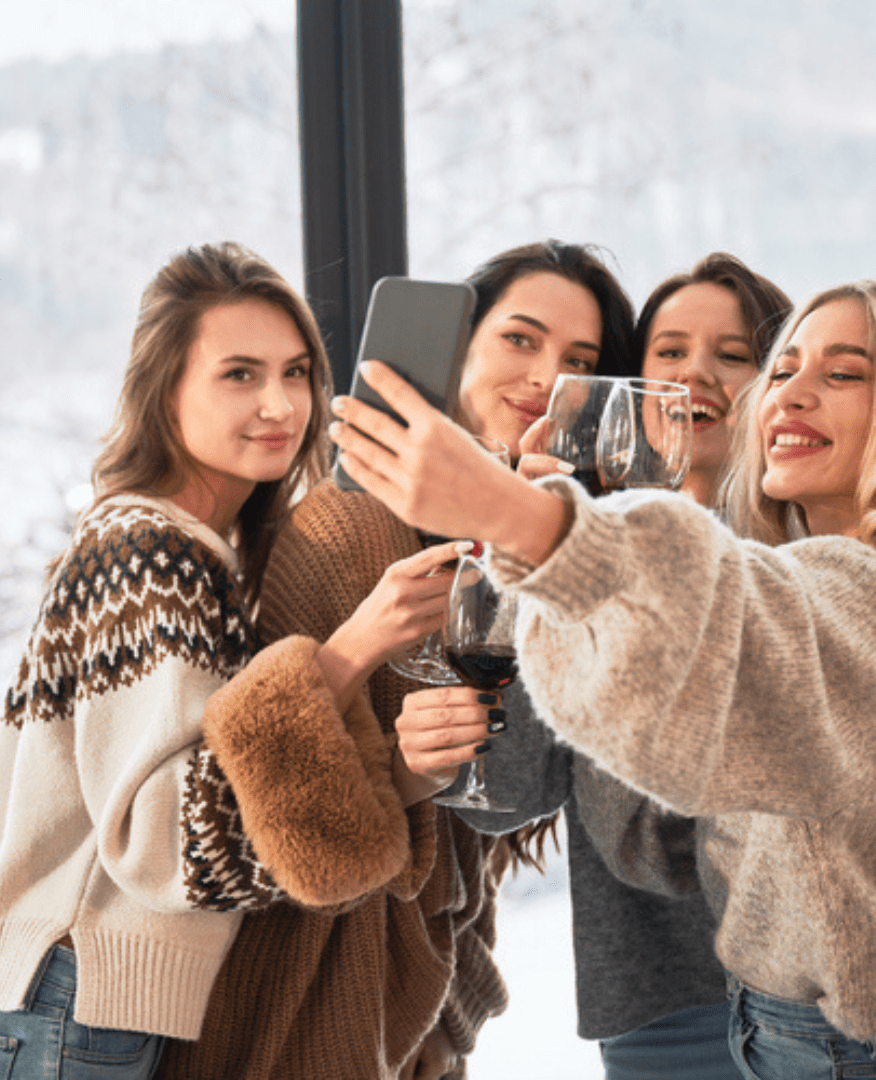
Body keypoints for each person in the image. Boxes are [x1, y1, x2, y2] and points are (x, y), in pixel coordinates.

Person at [329, 281, 876, 1080]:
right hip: (774, 1026)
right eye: (784, 370)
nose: (792, 394)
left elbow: (727, 614)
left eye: (844, 373)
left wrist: (520, 515)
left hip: (834, 1043)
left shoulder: (837, 587)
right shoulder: (861, 578)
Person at [156, 238, 633, 1080]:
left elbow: (505, 797)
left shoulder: (509, 546)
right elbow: (293, 815)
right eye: (520, 340)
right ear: (458, 346)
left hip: (418, 1019)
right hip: (315, 1014)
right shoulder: (350, 529)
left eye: (578, 360)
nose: (543, 377)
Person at [409, 252, 791, 1080]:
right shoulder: (582, 556)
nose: (698, 372)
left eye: (733, 354)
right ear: (633, 389)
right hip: (662, 1008)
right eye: (670, 352)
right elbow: (506, 795)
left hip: (832, 1000)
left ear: (773, 381)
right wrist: (528, 564)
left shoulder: (815, 558)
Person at [0, 242, 333, 1077]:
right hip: (80, 997)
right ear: (164, 389)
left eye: (296, 373)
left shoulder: (186, 550)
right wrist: (353, 656)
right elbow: (165, 841)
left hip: (76, 1000)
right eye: (240, 374)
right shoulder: (152, 554)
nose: (281, 403)